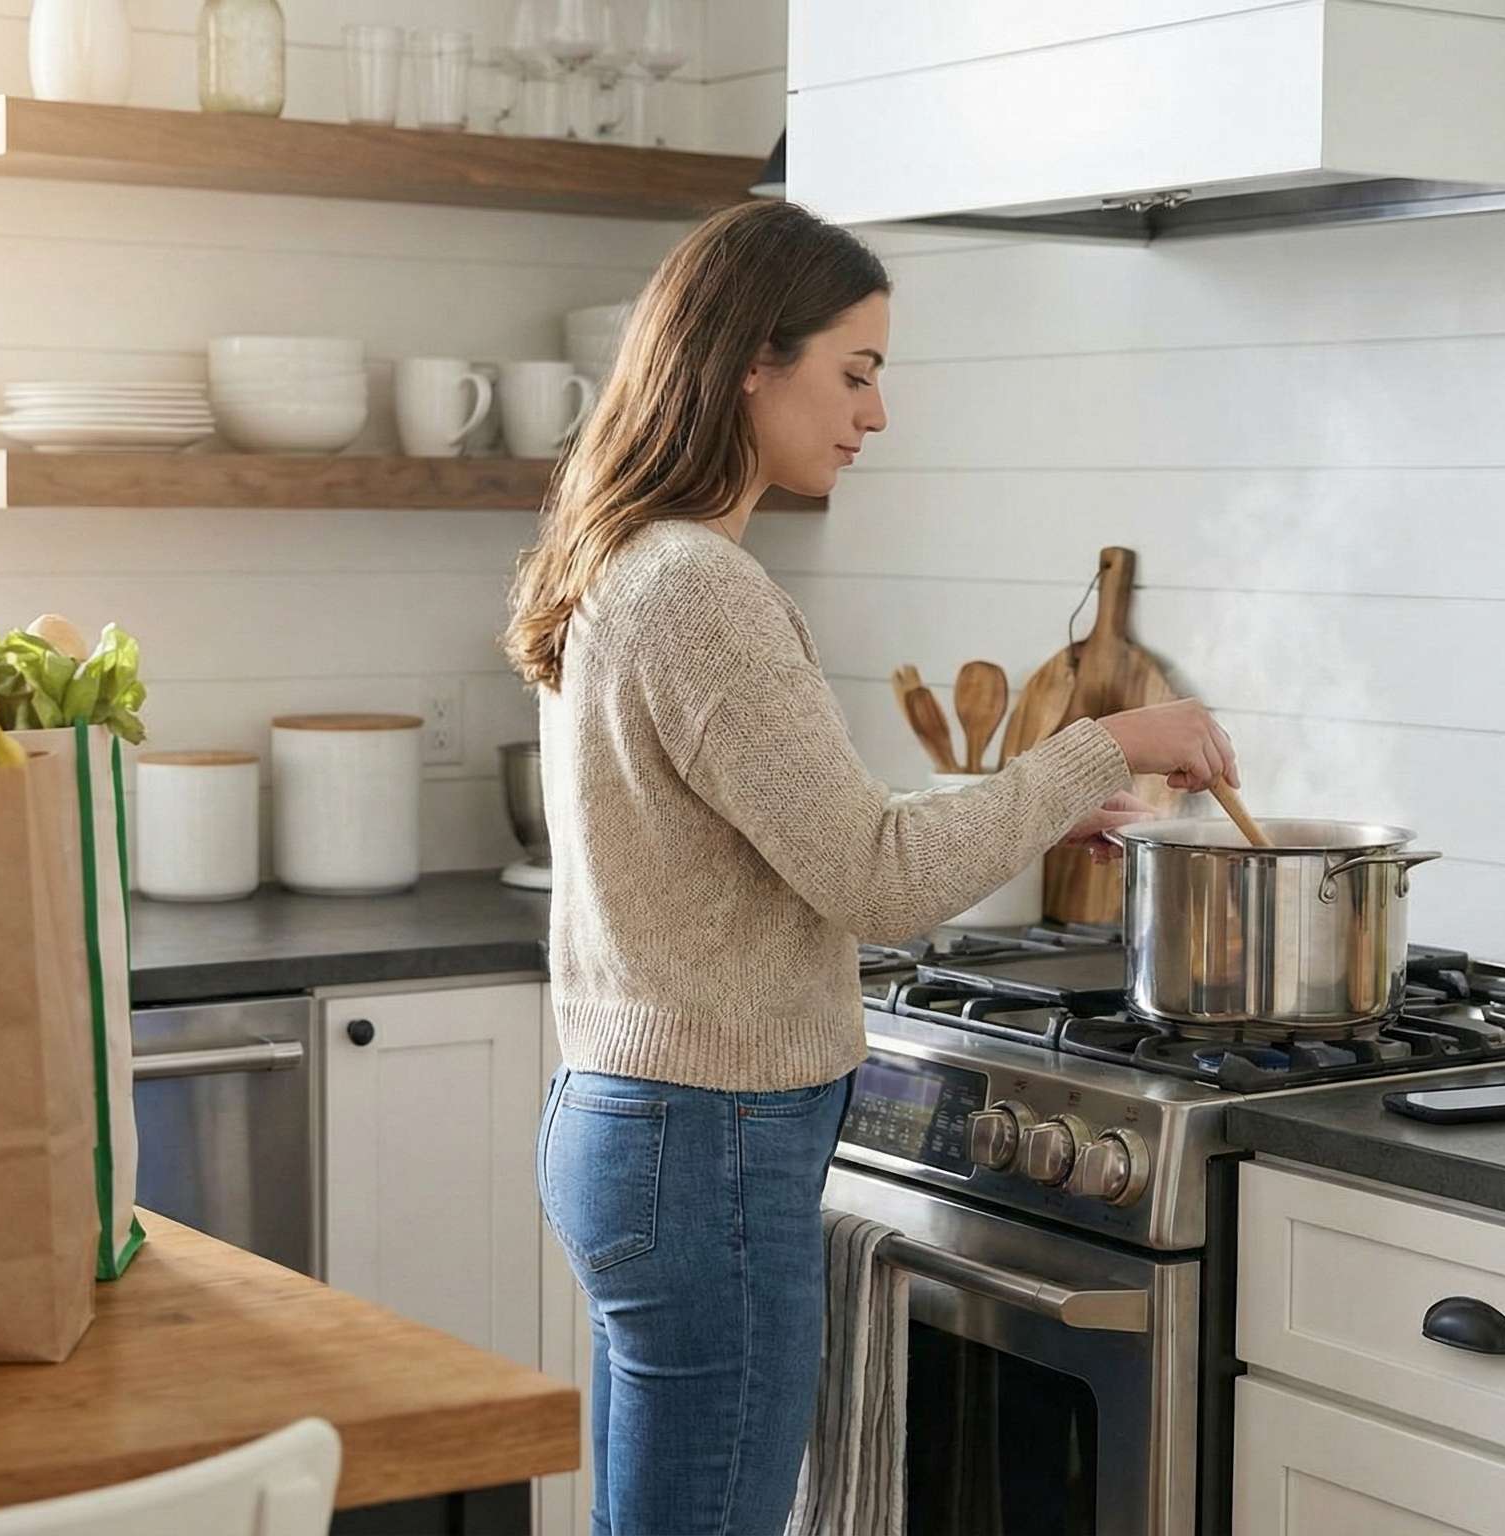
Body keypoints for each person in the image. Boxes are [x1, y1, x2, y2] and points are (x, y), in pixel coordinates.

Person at [502, 199, 1237, 1536]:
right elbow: (875, 879)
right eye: (855, 370)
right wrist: (1095, 748)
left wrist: (1023, 810)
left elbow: (788, 828)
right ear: (747, 361)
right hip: (702, 1144)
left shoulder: (630, 561)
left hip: (637, 1125)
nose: (877, 413)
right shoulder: (696, 585)